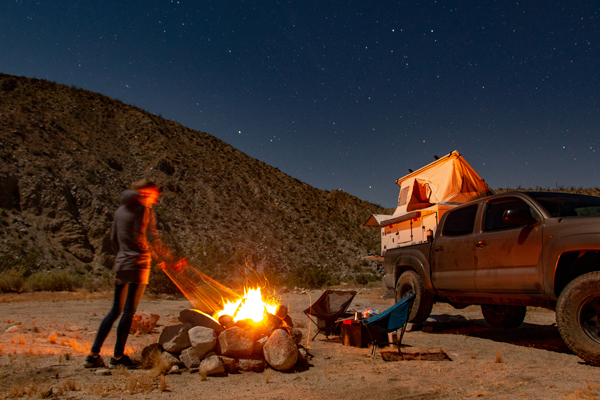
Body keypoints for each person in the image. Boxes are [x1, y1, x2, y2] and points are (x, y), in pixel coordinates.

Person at [83, 179, 168, 369]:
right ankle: (118, 357)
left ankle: (93, 355)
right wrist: (161, 257)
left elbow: (114, 238)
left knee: (115, 311)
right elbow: (148, 238)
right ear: (146, 192)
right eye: (154, 194)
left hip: (121, 264)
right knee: (128, 312)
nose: (156, 199)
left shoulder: (120, 210)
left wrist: (125, 253)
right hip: (138, 265)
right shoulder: (143, 209)